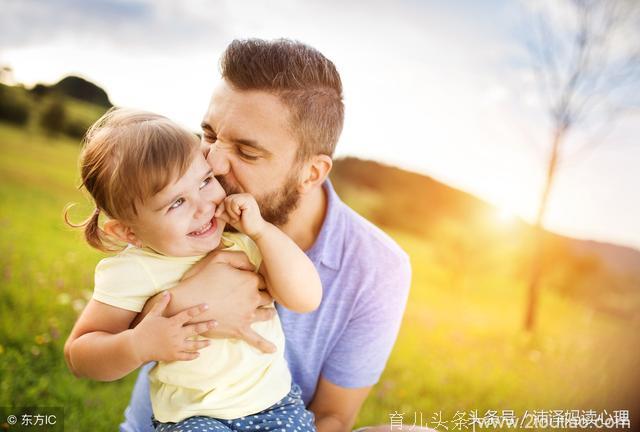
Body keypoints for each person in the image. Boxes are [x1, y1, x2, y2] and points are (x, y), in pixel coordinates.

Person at [121, 38, 412, 432]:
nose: (213, 162)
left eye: (247, 152)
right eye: (208, 134)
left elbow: (333, 415)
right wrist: (191, 306)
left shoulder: (378, 266)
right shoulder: (190, 214)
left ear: (311, 173)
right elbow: (104, 336)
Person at [63, 108, 322, 431]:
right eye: (176, 203)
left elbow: (306, 298)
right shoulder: (133, 271)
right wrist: (137, 344)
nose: (203, 207)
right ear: (129, 232)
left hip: (274, 405)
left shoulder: (240, 239)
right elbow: (79, 355)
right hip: (193, 418)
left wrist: (263, 233)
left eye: (205, 181)